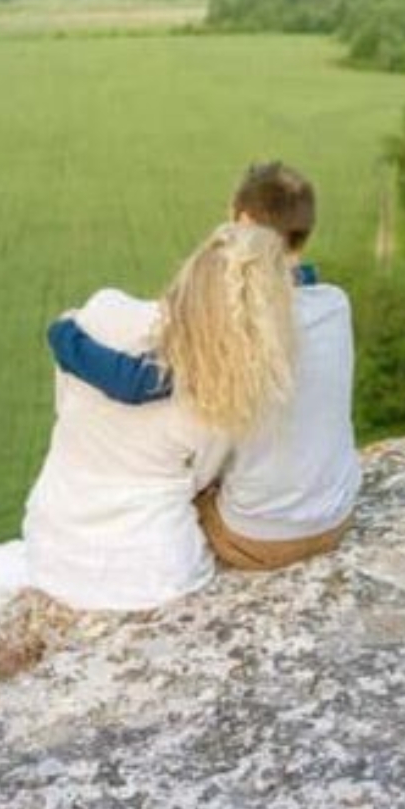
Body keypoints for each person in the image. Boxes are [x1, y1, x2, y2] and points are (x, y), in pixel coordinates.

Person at [0, 221, 296, 631]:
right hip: (155, 573)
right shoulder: (226, 397)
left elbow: (66, 404)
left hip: (56, 549)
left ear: (192, 274)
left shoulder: (104, 311)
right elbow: (198, 480)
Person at [47, 162, 359, 571]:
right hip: (337, 517)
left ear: (242, 220)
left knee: (172, 477)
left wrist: (63, 335)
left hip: (258, 539)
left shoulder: (239, 322)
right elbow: (299, 287)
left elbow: (138, 384)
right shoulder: (335, 301)